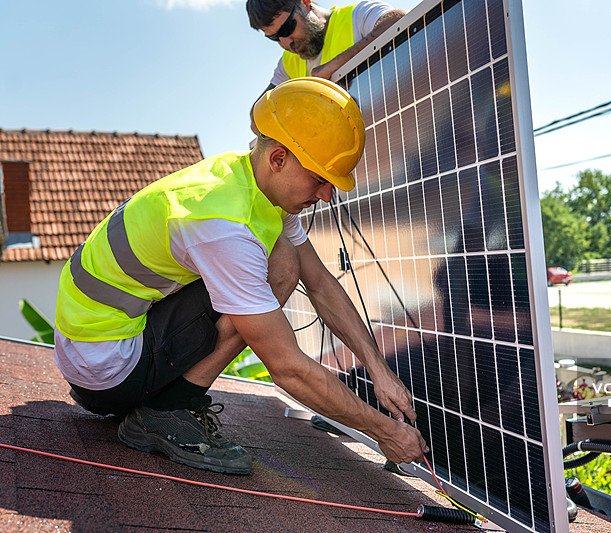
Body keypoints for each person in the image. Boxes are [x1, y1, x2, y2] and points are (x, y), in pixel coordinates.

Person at [54, 77, 429, 475]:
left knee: (286, 260)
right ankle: (166, 412)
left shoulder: (248, 179)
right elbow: (286, 367)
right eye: (320, 179)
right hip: (105, 367)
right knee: (279, 267)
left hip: (96, 345)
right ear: (279, 158)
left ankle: (163, 400)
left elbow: (320, 282)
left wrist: (379, 371)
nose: (326, 195)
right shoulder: (223, 225)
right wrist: (383, 431)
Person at [245, 0, 405, 134]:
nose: (286, 43)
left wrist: (332, 67)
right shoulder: (288, 64)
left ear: (305, 3)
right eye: (274, 38)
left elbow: (397, 20)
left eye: (287, 28)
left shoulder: (358, 17)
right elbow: (257, 118)